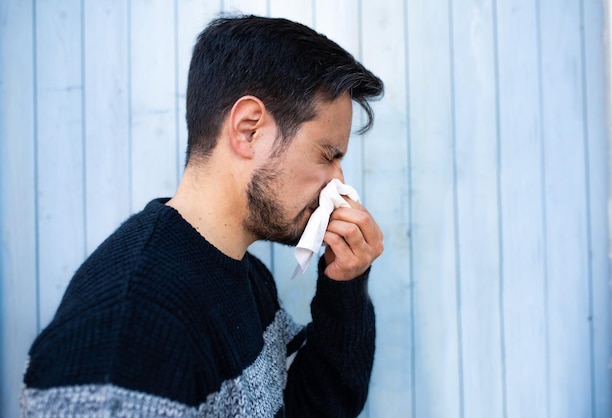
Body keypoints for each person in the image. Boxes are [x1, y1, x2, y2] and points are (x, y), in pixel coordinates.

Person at [21, 14, 384, 417]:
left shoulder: (249, 278)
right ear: (249, 130)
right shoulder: (128, 330)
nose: (339, 184)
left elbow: (313, 408)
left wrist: (345, 286)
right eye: (327, 155)